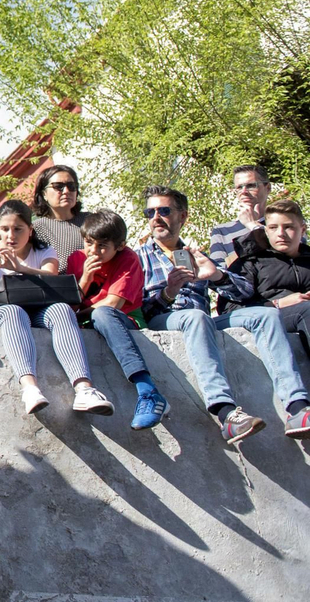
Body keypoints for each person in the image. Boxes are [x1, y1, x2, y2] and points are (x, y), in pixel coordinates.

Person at [133, 186, 310, 445]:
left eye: (164, 210)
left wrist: (217, 275)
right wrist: (169, 292)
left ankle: (297, 407)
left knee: (264, 315)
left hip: (203, 320)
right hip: (166, 321)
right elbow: (139, 312)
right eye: (151, 212)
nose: (156, 217)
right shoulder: (138, 258)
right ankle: (226, 414)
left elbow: (245, 293)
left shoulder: (194, 254)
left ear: (182, 217)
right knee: (195, 316)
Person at [0, 199, 113, 415]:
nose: (11, 236)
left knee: (62, 310)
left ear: (30, 229)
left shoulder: (44, 250)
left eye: (18, 229)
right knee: (13, 312)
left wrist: (19, 268)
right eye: (5, 229)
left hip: (37, 311)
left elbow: (51, 276)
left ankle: (84, 388)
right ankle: (30, 388)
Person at [70, 210, 170, 430]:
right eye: (89, 243)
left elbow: (113, 304)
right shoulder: (76, 259)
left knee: (102, 313)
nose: (93, 251)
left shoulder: (128, 259)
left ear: (120, 245)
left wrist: (78, 315)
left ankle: (148, 391)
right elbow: (69, 305)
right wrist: (85, 279)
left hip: (124, 321)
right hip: (86, 322)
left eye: (102, 246)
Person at [226, 199, 310, 436]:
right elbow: (230, 308)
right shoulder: (252, 261)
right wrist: (277, 303)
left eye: (288, 227)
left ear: (302, 229)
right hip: (271, 318)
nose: (281, 233)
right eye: (273, 228)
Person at [209, 164, 270, 311]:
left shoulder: (284, 223)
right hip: (240, 305)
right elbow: (219, 276)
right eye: (238, 187)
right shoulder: (222, 231)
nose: (243, 192)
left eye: (250, 186)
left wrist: (252, 225)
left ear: (267, 188)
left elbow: (290, 262)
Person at [31, 164, 87, 257]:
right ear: (44, 193)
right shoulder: (37, 230)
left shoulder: (91, 220)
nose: (66, 191)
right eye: (58, 186)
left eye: (71, 186)